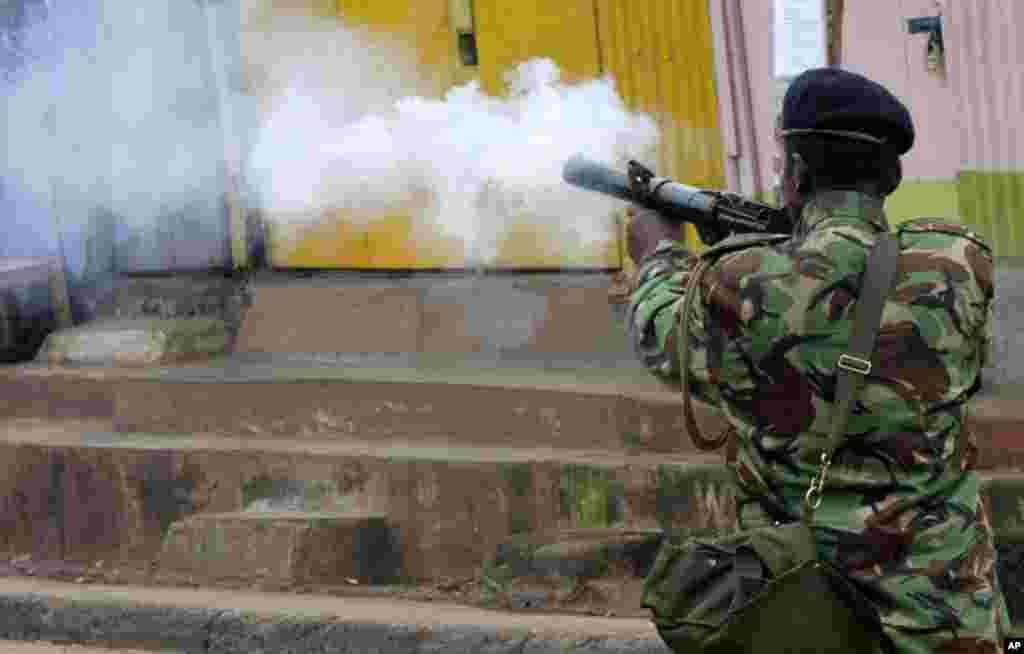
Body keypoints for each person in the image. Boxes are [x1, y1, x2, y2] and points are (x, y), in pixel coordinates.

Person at [626, 67, 1009, 653]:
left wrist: (660, 255)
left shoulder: (741, 282)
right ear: (894, 173)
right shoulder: (958, 265)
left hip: (810, 618)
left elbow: (663, 340)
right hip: (953, 617)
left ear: (797, 172)